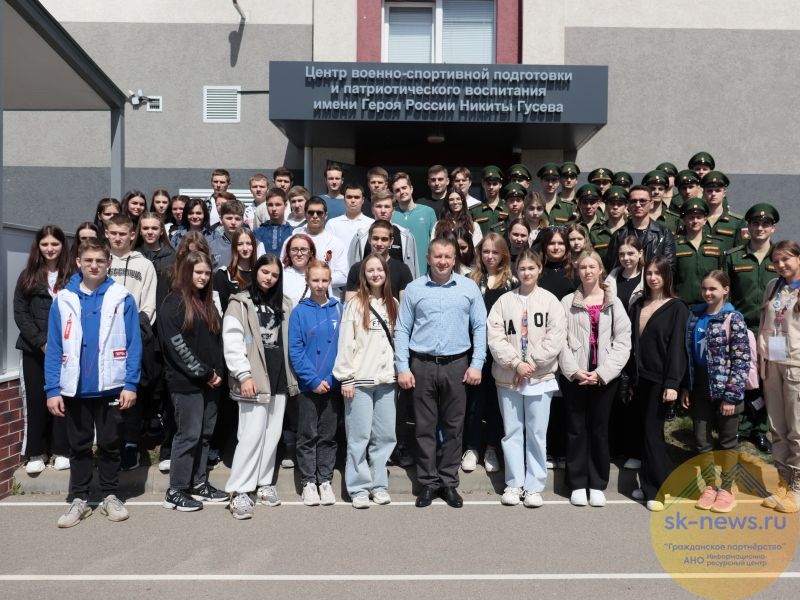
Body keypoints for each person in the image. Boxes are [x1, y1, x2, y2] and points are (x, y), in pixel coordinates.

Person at [45, 238, 141, 527]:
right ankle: (80, 498)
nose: (94, 265)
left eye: (100, 260)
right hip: (75, 387)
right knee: (79, 445)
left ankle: (110, 495)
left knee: (110, 443)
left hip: (111, 384)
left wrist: (131, 384)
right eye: (88, 260)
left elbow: (134, 344)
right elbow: (54, 347)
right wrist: (52, 389)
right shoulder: (63, 299)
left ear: (108, 263)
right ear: (78, 262)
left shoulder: (122, 297)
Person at [395, 236, 487, 508]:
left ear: (454, 259)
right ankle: (428, 483)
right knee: (424, 427)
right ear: (428, 258)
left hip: (457, 365)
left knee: (453, 427)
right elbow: (402, 329)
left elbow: (480, 326)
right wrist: (402, 367)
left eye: (448, 256)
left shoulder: (468, 287)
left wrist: (477, 363)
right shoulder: (414, 289)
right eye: (438, 256)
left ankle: (448, 482)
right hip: (421, 365)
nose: (443, 261)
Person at [487, 249, 566, 507]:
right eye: (522, 269)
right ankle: (514, 483)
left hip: (540, 377)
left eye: (531, 268)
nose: (526, 273)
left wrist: (531, 363)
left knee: (536, 433)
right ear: (516, 271)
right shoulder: (504, 302)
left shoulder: (550, 301)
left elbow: (555, 336)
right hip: (508, 377)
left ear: (539, 269)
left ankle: (533, 486)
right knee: (511, 432)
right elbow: (495, 337)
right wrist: (516, 364)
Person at [223, 254, 297, 519]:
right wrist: (243, 375)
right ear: (256, 272)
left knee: (272, 434)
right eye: (265, 272)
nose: (270, 278)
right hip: (253, 376)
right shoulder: (240, 302)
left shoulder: (285, 304)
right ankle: (240, 490)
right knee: (251, 435)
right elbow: (232, 341)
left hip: (278, 376)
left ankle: (264, 483)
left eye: (275, 275)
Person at [559, 251, 631, 507]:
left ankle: (598, 483)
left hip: (603, 377)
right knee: (576, 429)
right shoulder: (567, 302)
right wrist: (573, 371)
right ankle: (577, 483)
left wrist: (602, 373)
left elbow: (623, 342)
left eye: (592, 267)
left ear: (601, 270)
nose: (587, 271)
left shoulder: (614, 302)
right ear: (577, 271)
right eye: (583, 267)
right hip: (576, 375)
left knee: (599, 430)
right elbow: (559, 340)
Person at [158, 251, 227, 511]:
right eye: (198, 272)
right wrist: (205, 373)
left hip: (212, 382)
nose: (203, 277)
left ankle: (198, 483)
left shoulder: (206, 302)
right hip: (187, 383)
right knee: (188, 435)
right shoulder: (173, 303)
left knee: (204, 436)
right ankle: (176, 490)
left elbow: (216, 341)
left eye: (207, 273)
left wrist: (218, 373)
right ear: (186, 272)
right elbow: (177, 347)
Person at [679, 270, 749, 513]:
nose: (707, 293)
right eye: (704, 289)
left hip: (726, 389)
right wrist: (686, 387)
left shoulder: (733, 318)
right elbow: (689, 355)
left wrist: (731, 396)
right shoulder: (695, 316)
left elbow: (742, 361)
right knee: (702, 439)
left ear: (725, 290)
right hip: (699, 387)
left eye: (713, 289)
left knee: (727, 442)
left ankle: (727, 489)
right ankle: (710, 486)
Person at [333, 254, 398, 508]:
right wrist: (346, 378)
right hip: (359, 380)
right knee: (358, 436)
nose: (375, 274)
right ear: (364, 275)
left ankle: (379, 484)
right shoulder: (355, 304)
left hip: (386, 380)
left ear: (386, 273)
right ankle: (358, 487)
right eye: (370, 270)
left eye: (379, 269)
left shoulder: (393, 303)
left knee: (385, 436)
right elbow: (346, 342)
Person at [629, 257, 689, 511]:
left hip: (660, 380)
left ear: (667, 276)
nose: (653, 278)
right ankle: (647, 484)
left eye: (658, 273)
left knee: (653, 433)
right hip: (638, 378)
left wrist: (673, 383)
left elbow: (677, 348)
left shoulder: (677, 308)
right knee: (643, 432)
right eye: (649, 273)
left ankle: (657, 490)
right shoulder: (638, 304)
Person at [724, 203, 781, 454]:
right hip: (744, 328)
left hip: (776, 331)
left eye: (766, 224)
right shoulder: (734, 257)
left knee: (771, 378)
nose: (760, 228)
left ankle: (761, 429)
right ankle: (742, 426)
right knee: (745, 377)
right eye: (755, 223)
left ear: (773, 228)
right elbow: (726, 292)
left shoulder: (781, 257)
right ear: (748, 226)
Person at [14, 225, 71, 474]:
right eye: (45, 244)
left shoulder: (72, 275)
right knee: (36, 399)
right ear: (38, 246)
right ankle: (36, 452)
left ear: (62, 246)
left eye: (55, 244)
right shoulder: (28, 276)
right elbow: (20, 312)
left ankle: (61, 450)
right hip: (34, 350)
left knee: (63, 398)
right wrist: (41, 341)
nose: (50, 248)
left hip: (65, 350)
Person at [288, 260, 343, 506]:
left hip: (332, 384)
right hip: (308, 387)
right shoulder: (299, 312)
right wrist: (312, 380)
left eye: (324, 280)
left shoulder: (339, 309)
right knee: (307, 434)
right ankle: (309, 481)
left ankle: (325, 480)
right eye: (315, 280)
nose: (320, 285)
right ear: (307, 281)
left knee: (328, 435)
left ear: (330, 281)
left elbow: (345, 348)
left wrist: (331, 379)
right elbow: (295, 350)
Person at [462, 233, 518, 474]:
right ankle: (472, 447)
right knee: (474, 402)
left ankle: (492, 447)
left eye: (495, 252)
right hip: (475, 351)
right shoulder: (469, 280)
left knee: (496, 403)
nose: (490, 256)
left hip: (502, 352)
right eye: (486, 251)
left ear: (503, 254)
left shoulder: (512, 283)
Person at [759, 241, 800, 513]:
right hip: (772, 362)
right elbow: (766, 322)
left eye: (786, 259)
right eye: (776, 261)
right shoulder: (773, 286)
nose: (781, 265)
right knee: (777, 426)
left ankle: (797, 487)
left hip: (796, 364)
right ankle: (783, 481)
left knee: (797, 428)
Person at [286, 196, 348, 297]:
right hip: (296, 294)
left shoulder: (336, 243)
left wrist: (317, 280)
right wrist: (301, 280)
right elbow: (285, 266)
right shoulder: (292, 240)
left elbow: (343, 276)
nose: (315, 216)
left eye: (319, 213)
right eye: (311, 212)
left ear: (325, 215)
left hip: (327, 297)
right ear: (305, 214)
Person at [349, 189, 419, 277]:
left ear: (393, 210)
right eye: (379, 206)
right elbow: (353, 271)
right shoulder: (360, 236)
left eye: (387, 206)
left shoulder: (406, 236)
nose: (383, 210)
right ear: (372, 209)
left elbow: (413, 271)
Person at [605, 185, 676, 271]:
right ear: (628, 205)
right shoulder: (619, 235)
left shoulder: (663, 233)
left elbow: (669, 267)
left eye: (642, 201)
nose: (638, 205)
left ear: (651, 204)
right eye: (633, 201)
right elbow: (612, 269)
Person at [345, 220, 413, 302]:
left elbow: (405, 304)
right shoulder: (356, 269)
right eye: (375, 238)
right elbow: (350, 304)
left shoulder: (402, 269)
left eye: (384, 239)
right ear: (369, 239)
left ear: (391, 241)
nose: (379, 243)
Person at [673, 199, 723, 307]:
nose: (695, 221)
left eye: (699, 217)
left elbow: (723, 276)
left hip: (710, 305)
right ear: (684, 220)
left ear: (705, 220)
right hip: (682, 305)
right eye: (691, 217)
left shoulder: (717, 244)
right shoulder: (674, 244)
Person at [391, 172, 437, 272]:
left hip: (425, 271)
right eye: (397, 190)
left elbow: (436, 243)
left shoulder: (428, 212)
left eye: (404, 188)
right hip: (398, 272)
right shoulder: (391, 215)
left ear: (411, 188)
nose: (401, 192)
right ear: (394, 194)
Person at [209, 198, 265, 271]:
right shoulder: (211, 246)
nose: (233, 222)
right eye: (229, 218)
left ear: (243, 220)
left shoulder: (256, 245)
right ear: (221, 220)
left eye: (237, 219)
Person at [700, 171, 747, 251]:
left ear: (724, 193)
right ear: (703, 193)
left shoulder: (737, 222)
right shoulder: (695, 219)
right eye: (709, 190)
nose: (713, 194)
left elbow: (742, 249)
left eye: (717, 190)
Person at [213, 228, 257, 312]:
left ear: (254, 246)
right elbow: (220, 309)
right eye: (240, 244)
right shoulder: (223, 275)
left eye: (248, 244)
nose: (245, 248)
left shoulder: (260, 275)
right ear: (234, 247)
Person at [326, 183, 374, 255]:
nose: (353, 200)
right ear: (344, 199)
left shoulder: (371, 224)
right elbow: (327, 250)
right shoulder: (332, 224)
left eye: (357, 197)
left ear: (363, 200)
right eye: (349, 197)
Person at [253, 188, 294, 255]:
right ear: (266, 206)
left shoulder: (292, 233)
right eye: (270, 205)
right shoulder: (258, 233)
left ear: (285, 206)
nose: (274, 209)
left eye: (278, 205)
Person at [470, 165, 509, 236]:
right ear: (483, 184)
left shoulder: (508, 207)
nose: (491, 187)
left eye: (495, 184)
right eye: (488, 184)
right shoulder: (474, 211)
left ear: (500, 185)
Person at [282, 233, 317, 305]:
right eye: (294, 250)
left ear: (311, 252)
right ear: (288, 252)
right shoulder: (281, 274)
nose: (299, 254)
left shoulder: (320, 275)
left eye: (304, 249)